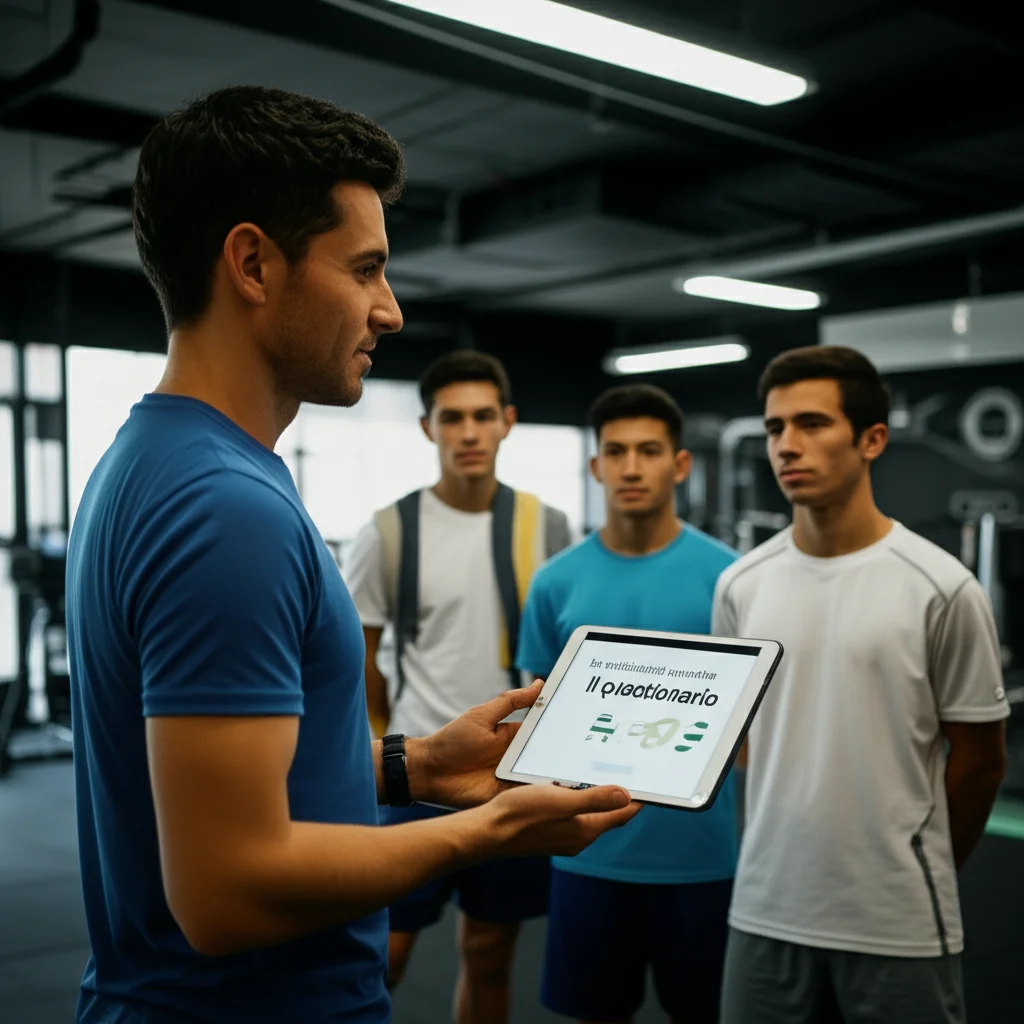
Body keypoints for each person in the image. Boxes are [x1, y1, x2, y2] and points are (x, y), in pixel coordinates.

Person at [64, 85, 640, 1024]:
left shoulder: (153, 462)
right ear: (253, 263)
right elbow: (225, 893)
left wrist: (411, 767)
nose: (392, 310)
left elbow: (213, 775)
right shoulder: (224, 506)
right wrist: (485, 833)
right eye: (365, 269)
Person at [714, 346, 1009, 1024]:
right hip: (763, 909)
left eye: (812, 424)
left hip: (895, 921)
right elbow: (745, 742)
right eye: (775, 428)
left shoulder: (942, 589)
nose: (787, 445)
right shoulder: (741, 586)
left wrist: (915, 867)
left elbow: (981, 762)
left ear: (872, 438)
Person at [345, 348, 573, 1024]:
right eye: (452, 418)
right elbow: (361, 661)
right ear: (428, 428)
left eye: (482, 417)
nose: (468, 433)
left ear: (506, 423)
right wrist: (388, 747)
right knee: (380, 953)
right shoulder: (387, 531)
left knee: (491, 949)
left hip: (511, 771)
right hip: (417, 773)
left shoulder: (549, 525)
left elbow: (559, 649)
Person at [516, 383, 740, 1024]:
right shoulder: (556, 582)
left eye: (648, 450)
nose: (632, 467)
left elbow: (751, 728)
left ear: (680, 464)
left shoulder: (730, 578)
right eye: (616, 452)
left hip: (700, 860)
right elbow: (540, 722)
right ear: (596, 467)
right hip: (587, 853)